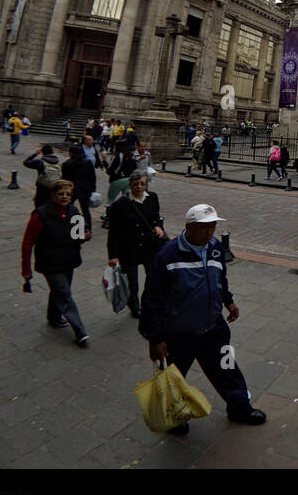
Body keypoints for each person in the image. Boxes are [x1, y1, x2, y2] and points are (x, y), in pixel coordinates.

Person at [139, 204, 266, 432]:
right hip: (179, 334)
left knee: (228, 369)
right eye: (204, 228)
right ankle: (175, 416)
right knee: (173, 379)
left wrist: (228, 300)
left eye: (213, 227)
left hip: (213, 329)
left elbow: (219, 278)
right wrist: (155, 338)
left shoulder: (215, 247)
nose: (210, 233)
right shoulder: (167, 255)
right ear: (189, 227)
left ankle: (239, 406)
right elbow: (151, 299)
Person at [20, 180, 92, 347]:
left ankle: (53, 317)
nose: (65, 197)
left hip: (69, 260)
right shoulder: (41, 214)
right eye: (61, 194)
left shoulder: (74, 211)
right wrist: (26, 269)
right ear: (53, 195)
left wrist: (85, 236)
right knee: (64, 293)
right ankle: (80, 331)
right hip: (50, 262)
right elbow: (27, 243)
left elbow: (78, 236)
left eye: (68, 194)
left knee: (60, 290)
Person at [106, 170, 165, 319]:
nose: (139, 187)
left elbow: (155, 216)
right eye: (135, 184)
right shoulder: (120, 204)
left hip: (149, 246)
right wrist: (113, 255)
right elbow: (114, 232)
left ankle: (149, 302)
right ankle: (134, 306)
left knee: (152, 278)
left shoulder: (152, 198)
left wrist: (158, 226)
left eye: (142, 184)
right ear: (130, 185)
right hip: (129, 248)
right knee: (132, 282)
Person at [61, 143, 98, 229]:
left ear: (72, 153)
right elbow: (92, 176)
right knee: (85, 209)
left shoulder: (67, 164)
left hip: (72, 189)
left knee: (67, 207)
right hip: (85, 189)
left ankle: (66, 225)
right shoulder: (87, 162)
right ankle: (88, 227)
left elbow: (64, 178)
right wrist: (93, 188)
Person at [23, 143, 64, 208]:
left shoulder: (40, 162)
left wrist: (35, 153)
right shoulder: (58, 162)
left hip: (42, 187)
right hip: (54, 187)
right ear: (52, 152)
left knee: (40, 206)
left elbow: (26, 163)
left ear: (42, 152)